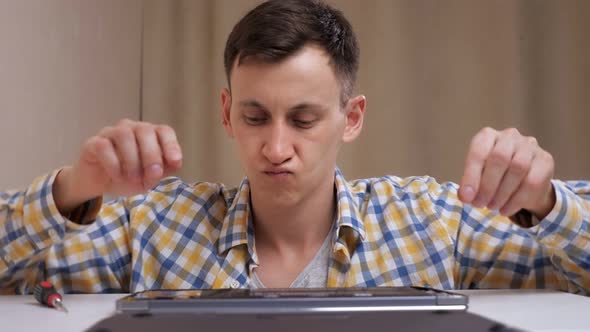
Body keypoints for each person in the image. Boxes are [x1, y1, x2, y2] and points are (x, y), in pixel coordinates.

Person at [0, 0, 589, 295]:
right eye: (255, 117)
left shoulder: (432, 222)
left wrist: (546, 203)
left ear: (350, 118)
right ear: (227, 114)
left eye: (304, 119)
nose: (275, 147)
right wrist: (74, 188)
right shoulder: (153, 225)